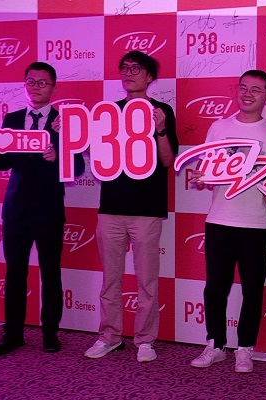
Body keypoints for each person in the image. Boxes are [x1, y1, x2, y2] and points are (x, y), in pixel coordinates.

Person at [0, 61, 85, 356]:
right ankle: (12, 334)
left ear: (54, 88)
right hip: (16, 208)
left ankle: (50, 333)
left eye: (42, 82)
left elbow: (78, 166)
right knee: (15, 272)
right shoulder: (12, 118)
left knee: (50, 272)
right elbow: (5, 160)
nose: (36, 87)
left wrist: (57, 156)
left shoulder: (65, 122)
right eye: (31, 81)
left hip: (49, 208)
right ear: (24, 85)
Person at [84, 50, 178, 363]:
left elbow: (168, 160)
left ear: (150, 77)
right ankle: (109, 337)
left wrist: (160, 129)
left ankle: (145, 340)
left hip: (147, 210)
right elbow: (93, 153)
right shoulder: (108, 112)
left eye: (136, 69)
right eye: (124, 68)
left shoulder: (161, 111)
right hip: (110, 207)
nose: (128, 73)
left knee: (146, 281)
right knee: (110, 280)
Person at [190, 70, 266, 373]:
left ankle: (245, 348)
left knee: (252, 289)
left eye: (256, 90)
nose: (247, 94)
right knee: (215, 287)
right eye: (243, 88)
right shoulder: (219, 127)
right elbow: (207, 167)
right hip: (219, 218)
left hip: (257, 223)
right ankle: (215, 344)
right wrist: (201, 175)